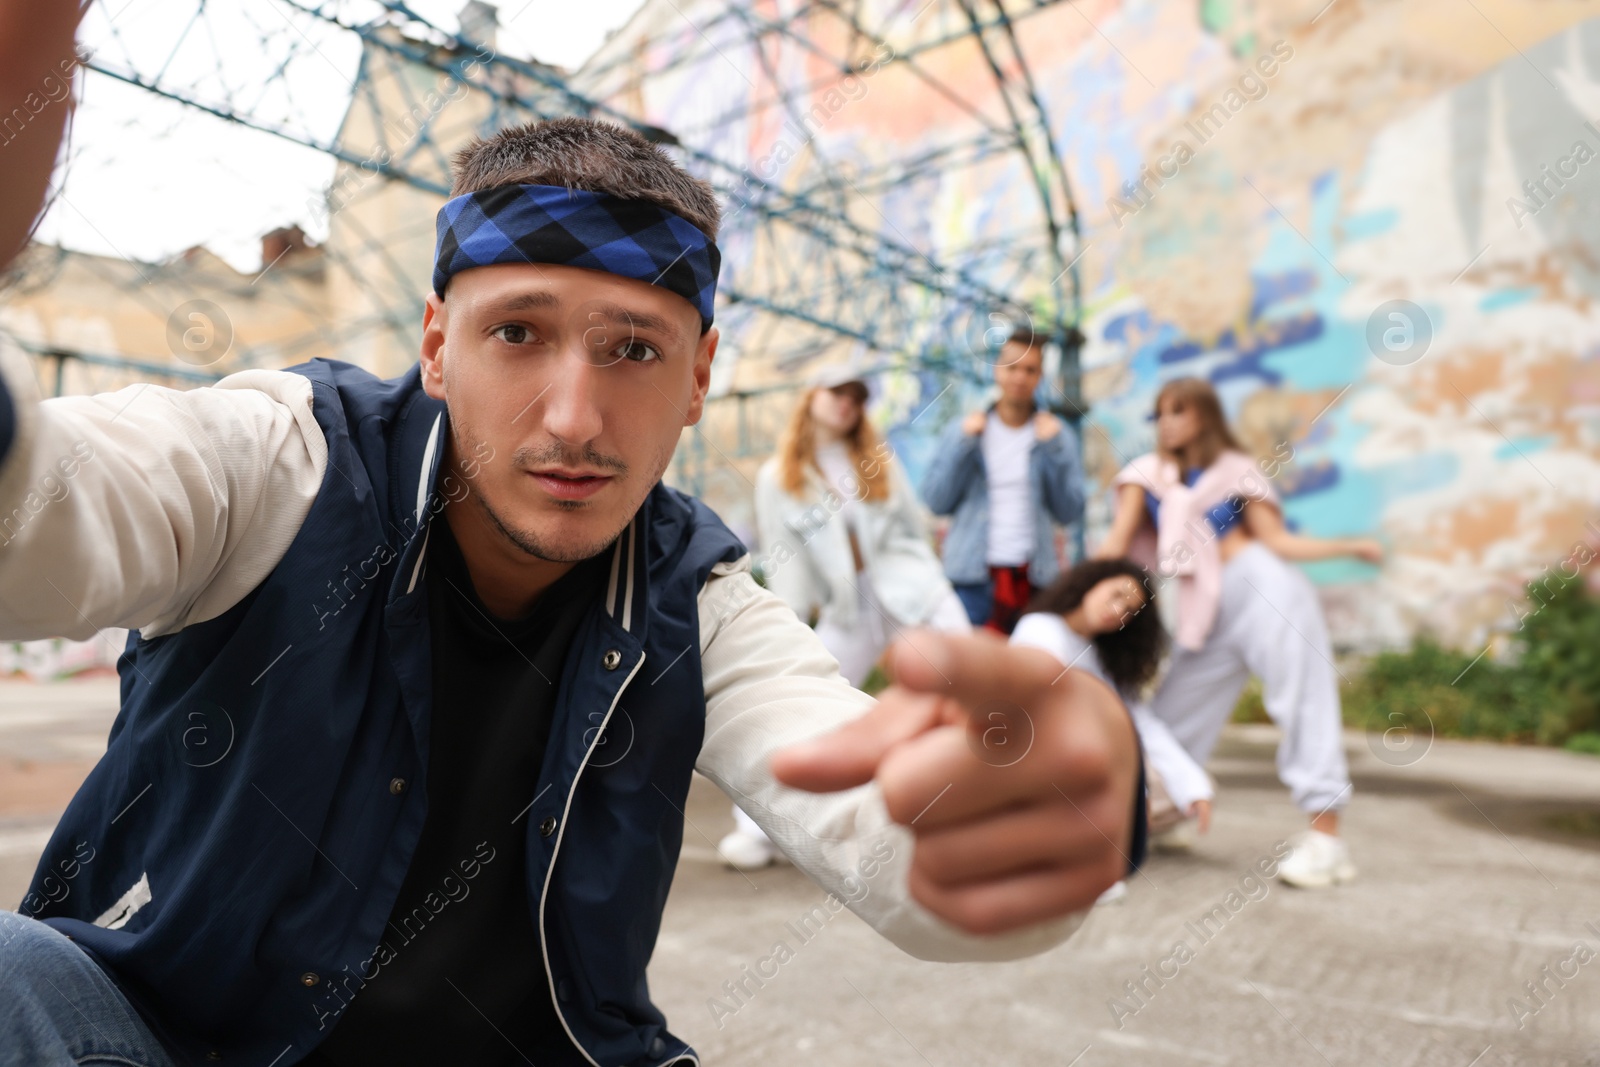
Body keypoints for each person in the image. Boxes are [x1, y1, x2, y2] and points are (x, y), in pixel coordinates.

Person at [0, 12, 1144, 1065]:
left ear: (698, 378)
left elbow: (878, 824)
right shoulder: (279, 462)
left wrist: (1026, 818)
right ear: (439, 347)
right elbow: (54, 511)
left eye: (633, 349)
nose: (573, 419)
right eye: (519, 332)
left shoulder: (693, 599)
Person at [1096, 376, 1382, 889]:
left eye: (1178, 411)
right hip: (1204, 608)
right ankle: (1171, 811)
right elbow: (1116, 547)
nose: (1167, 422)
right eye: (1160, 413)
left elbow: (1278, 542)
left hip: (1264, 587)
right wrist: (1068, 596)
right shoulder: (1146, 476)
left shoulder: (1238, 473)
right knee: (1170, 719)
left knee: (1303, 700)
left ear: (1202, 416)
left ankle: (1327, 840)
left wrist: (1349, 546)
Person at [720, 368, 971, 868]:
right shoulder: (779, 476)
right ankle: (755, 828)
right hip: (848, 606)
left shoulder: (876, 460)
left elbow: (911, 525)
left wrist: (933, 579)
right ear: (811, 395)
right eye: (837, 392)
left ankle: (992, 807)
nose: (847, 404)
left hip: (911, 590)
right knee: (800, 704)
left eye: (857, 397)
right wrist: (788, 628)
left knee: (971, 681)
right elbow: (783, 552)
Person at [1009, 559, 1215, 900]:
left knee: (1188, 791)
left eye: (1129, 610)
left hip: (1078, 765)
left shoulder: (1104, 658)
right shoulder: (1041, 628)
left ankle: (1099, 844)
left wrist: (1192, 786)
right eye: (1116, 594)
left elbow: (1142, 723)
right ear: (1091, 582)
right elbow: (1046, 704)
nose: (1117, 609)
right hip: (1035, 755)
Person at [920, 327, 1085, 635]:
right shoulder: (962, 431)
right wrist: (964, 443)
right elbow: (935, 501)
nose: (1020, 377)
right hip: (972, 577)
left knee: (1026, 673)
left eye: (1030, 369)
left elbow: (1070, 511)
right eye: (1012, 367)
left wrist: (1054, 450)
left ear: (1039, 376)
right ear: (997, 369)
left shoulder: (1057, 435)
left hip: (1034, 578)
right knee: (969, 675)